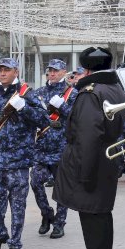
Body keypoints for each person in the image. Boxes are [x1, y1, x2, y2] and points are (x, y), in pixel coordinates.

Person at [54, 47, 125, 249]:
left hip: (91, 163)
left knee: (93, 218)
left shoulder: (90, 93)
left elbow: (87, 136)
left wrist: (84, 175)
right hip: (106, 158)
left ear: (86, 69)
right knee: (101, 216)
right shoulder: (114, 87)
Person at [0, 58, 48, 249]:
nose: (3, 73)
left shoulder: (28, 95)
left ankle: (15, 244)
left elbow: (44, 121)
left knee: (17, 205)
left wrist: (24, 107)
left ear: (16, 71)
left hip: (19, 159)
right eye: (0, 70)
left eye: (7, 70)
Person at [30, 59, 76, 239]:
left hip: (61, 147)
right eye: (50, 71)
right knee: (35, 183)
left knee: (61, 189)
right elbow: (33, 116)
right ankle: (46, 213)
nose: (52, 74)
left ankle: (59, 223)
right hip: (41, 147)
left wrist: (62, 106)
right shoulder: (39, 92)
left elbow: (76, 118)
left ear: (64, 72)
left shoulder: (71, 93)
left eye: (56, 71)